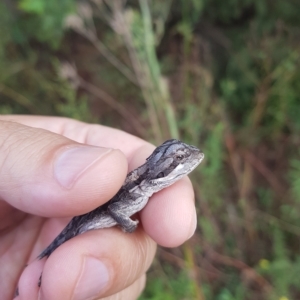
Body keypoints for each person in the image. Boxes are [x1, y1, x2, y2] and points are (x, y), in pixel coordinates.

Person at [0, 115, 197, 300]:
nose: (189, 160)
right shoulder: (134, 190)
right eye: (180, 158)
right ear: (161, 171)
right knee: (59, 248)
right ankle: (37, 276)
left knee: (65, 259)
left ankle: (35, 277)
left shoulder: (140, 188)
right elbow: (115, 210)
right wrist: (127, 225)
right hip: (83, 222)